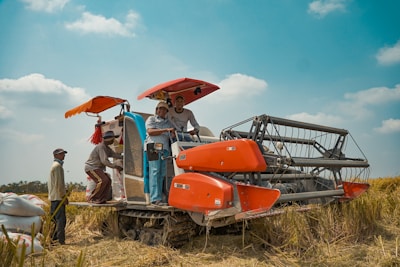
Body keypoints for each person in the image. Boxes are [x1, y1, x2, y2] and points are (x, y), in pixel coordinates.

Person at [144, 101, 175, 206]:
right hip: (153, 146)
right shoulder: (151, 119)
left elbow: (173, 134)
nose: (161, 110)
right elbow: (150, 132)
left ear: (166, 111)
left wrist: (173, 133)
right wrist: (166, 130)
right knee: (155, 171)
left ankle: (160, 198)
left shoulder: (169, 122)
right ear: (156, 110)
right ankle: (155, 199)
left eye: (164, 109)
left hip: (165, 148)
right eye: (159, 108)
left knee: (162, 173)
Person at [85, 130, 123, 204]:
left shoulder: (106, 148)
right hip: (91, 167)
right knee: (102, 180)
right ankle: (93, 198)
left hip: (97, 168)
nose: (113, 141)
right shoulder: (101, 147)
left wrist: (124, 157)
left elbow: (114, 155)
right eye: (112, 139)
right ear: (108, 139)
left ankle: (102, 198)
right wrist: (115, 166)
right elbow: (104, 161)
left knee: (108, 180)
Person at [48, 148, 68, 245]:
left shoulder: (54, 166)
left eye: (64, 154)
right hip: (58, 198)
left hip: (53, 198)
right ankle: (60, 241)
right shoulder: (58, 167)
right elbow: (59, 184)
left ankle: (53, 240)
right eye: (61, 154)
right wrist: (64, 196)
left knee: (54, 220)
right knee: (61, 220)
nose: (63, 155)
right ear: (55, 156)